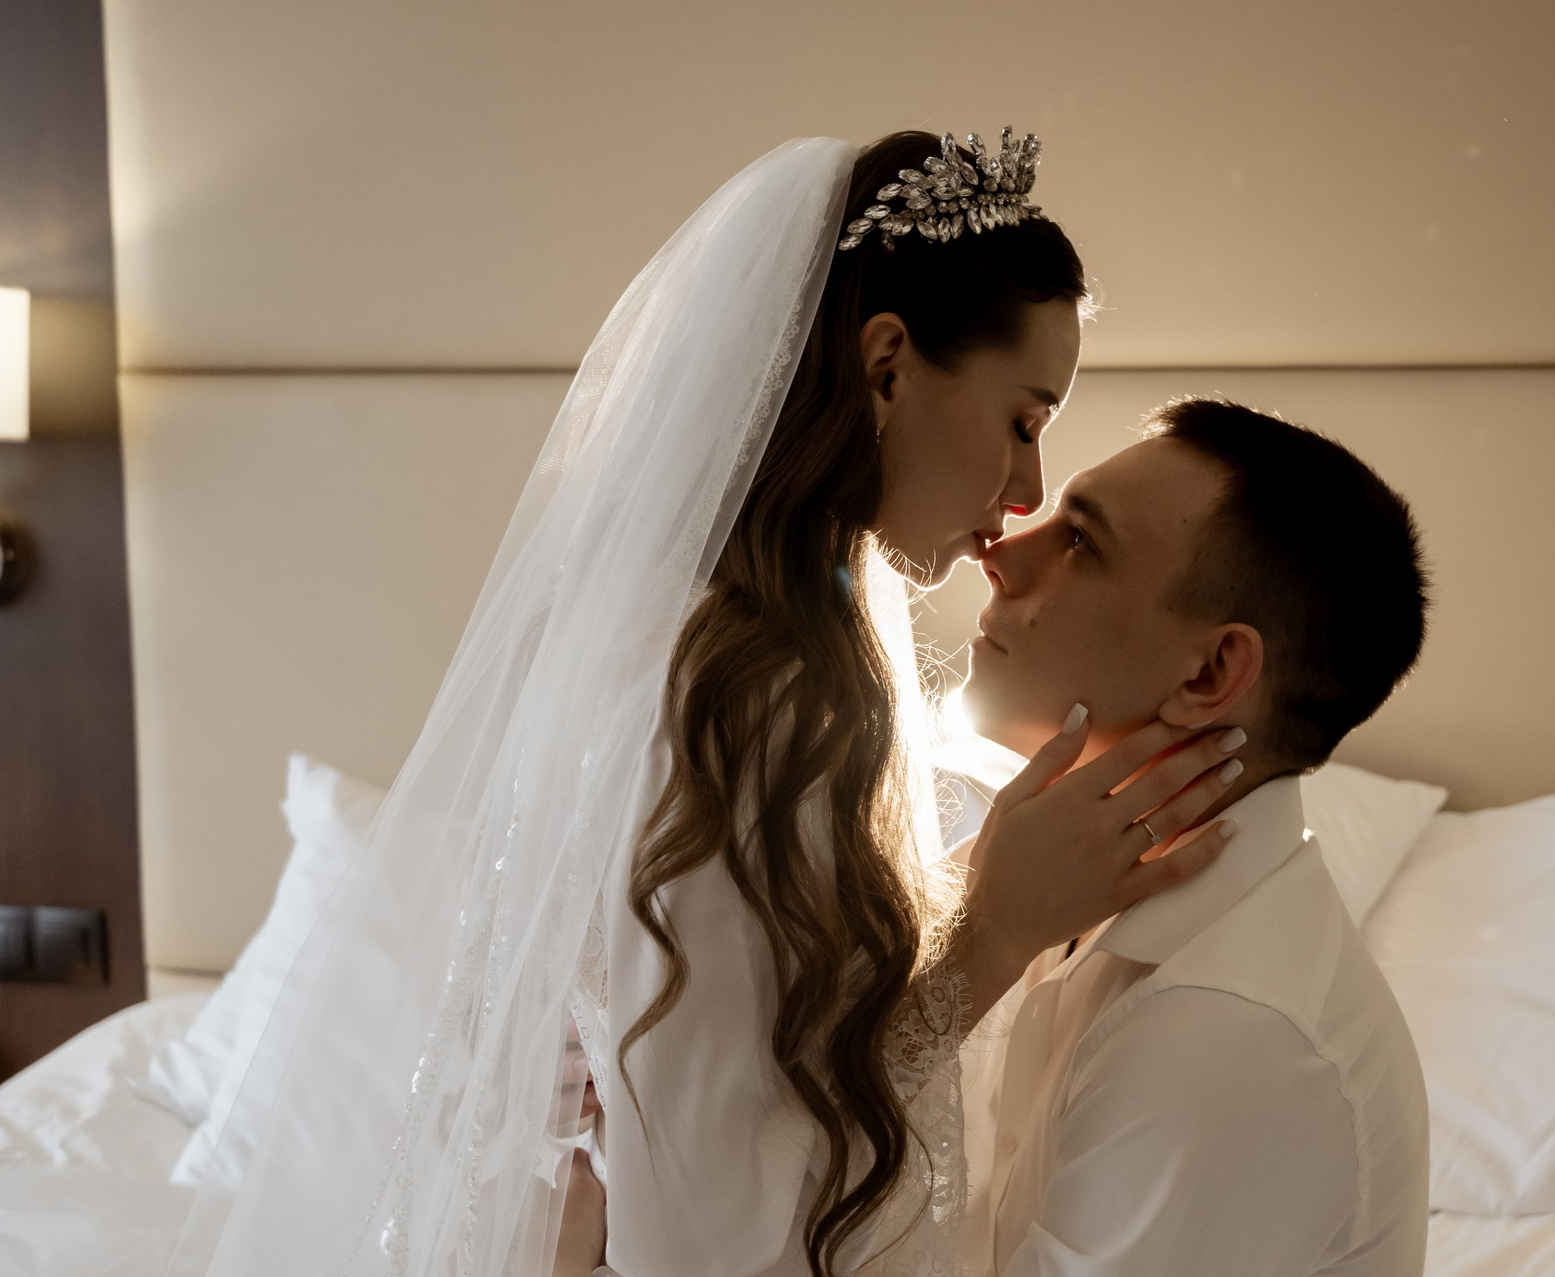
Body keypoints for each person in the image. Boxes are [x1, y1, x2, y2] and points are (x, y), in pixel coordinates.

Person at [177, 131, 1245, 1277]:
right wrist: (991, 937)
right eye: (1024, 421)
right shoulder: (747, 695)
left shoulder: (734, 628)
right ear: (888, 367)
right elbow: (700, 1235)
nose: (1027, 489)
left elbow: (772, 1026)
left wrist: (984, 882)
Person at [951, 397, 1433, 1276]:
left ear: (1210, 673)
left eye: (1080, 541)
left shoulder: (1232, 1030)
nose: (1000, 552)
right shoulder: (1059, 877)